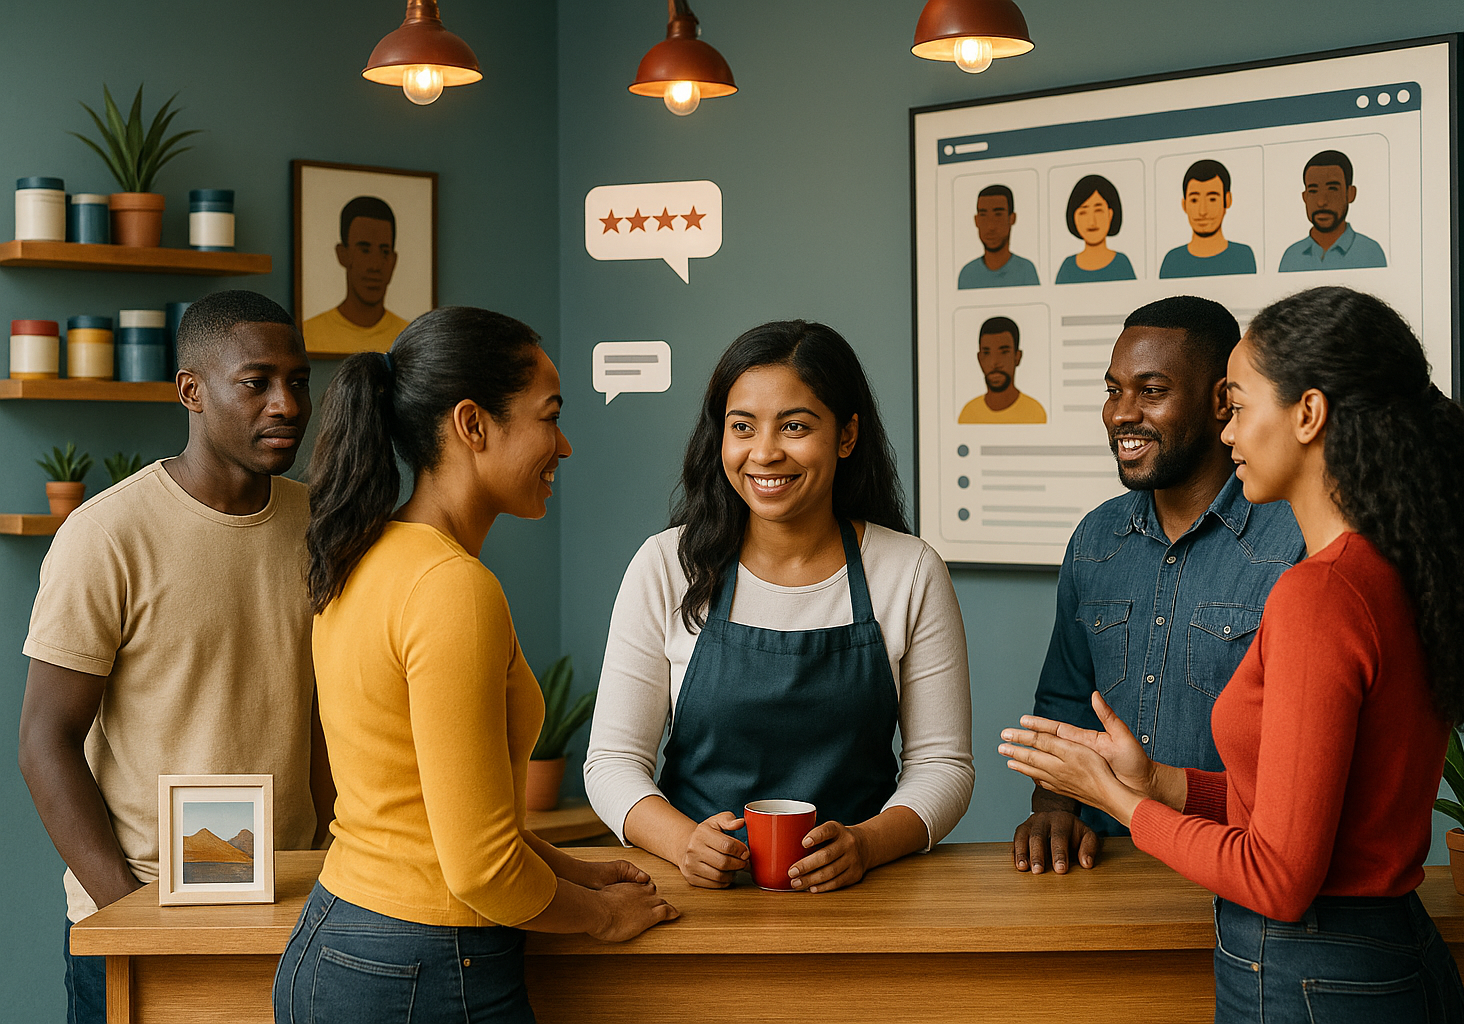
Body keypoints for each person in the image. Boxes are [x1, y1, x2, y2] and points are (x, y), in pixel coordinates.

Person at [1001, 286, 1464, 1022]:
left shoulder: (1319, 593)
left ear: (1307, 415)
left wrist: (1118, 801)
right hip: (1388, 956)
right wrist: (1158, 781)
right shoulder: (1384, 569)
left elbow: (1277, 876)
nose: (1230, 431)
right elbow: (1301, 808)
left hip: (1310, 973)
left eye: (1239, 406)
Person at [274, 307, 677, 1023]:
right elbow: (482, 872)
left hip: (339, 938)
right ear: (473, 424)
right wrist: (601, 916)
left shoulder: (365, 554)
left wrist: (573, 872)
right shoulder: (451, 588)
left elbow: (425, 816)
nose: (564, 445)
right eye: (550, 417)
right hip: (423, 965)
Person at [17, 290, 332, 1024]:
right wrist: (129, 911)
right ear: (191, 390)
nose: (287, 404)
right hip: (139, 910)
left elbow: (328, 710)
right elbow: (43, 742)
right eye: (256, 382)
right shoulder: (107, 535)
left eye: (298, 381)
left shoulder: (321, 524)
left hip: (294, 908)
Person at [585, 320, 973, 893]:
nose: (764, 453)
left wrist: (867, 845)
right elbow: (612, 763)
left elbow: (943, 767)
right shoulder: (667, 565)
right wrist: (683, 842)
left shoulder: (910, 571)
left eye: (794, 426)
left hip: (863, 897)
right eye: (742, 427)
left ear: (846, 436)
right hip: (700, 896)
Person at [1013, 295, 1303, 874]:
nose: (1121, 414)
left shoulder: (1293, 543)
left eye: (1151, 391)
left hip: (1237, 865)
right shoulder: (1095, 540)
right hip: (1108, 865)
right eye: (1113, 390)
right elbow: (1066, 701)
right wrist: (1054, 806)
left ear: (1221, 401)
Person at [301, 196, 412, 354]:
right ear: (342, 254)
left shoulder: (409, 338)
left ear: (393, 261)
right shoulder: (308, 334)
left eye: (384, 252)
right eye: (364, 250)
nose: (375, 266)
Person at [1277, 150, 1388, 272]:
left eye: (1332, 189)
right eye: (1313, 191)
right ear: (1305, 197)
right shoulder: (1291, 257)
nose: (1321, 202)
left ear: (1351, 193)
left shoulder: (1370, 252)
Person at [1158, 159, 1256, 278]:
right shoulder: (1172, 261)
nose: (1202, 211)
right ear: (1184, 205)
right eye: (1194, 200)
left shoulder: (1243, 256)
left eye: (1212, 199)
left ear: (1227, 200)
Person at [957, 316, 1046, 423]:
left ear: (1017, 357)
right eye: (987, 353)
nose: (994, 362)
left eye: (1004, 352)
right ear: (980, 359)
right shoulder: (968, 414)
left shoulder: (1035, 413)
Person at [1055, 174, 1136, 283]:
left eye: (1098, 211)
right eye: (1083, 212)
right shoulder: (1067, 267)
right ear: (1074, 218)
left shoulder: (1122, 263)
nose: (1092, 222)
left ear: (1110, 214)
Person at [958, 184, 1040, 289]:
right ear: (976, 220)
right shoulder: (968, 274)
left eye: (998, 215)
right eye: (983, 215)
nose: (991, 226)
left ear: (1012, 218)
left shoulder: (1025, 270)